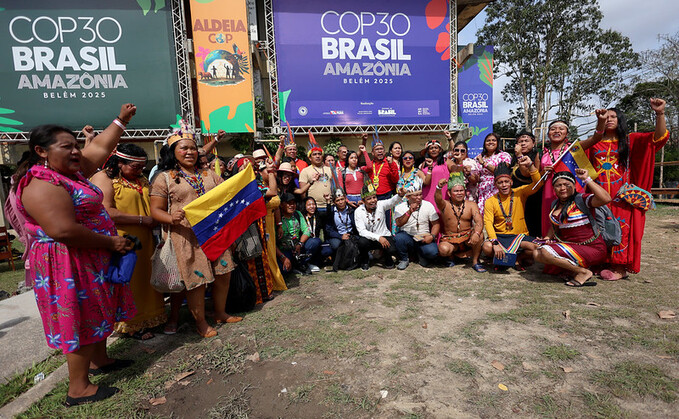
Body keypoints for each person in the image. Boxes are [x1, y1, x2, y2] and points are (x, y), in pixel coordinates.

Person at [17, 104, 137, 406]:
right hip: (67, 262)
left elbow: (98, 149)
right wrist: (110, 244)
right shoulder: (42, 183)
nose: (75, 152)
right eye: (66, 146)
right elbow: (63, 230)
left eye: (75, 146)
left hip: (88, 257)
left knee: (97, 310)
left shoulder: (70, 172)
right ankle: (78, 389)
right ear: (42, 151)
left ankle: (100, 361)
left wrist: (120, 121)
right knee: (80, 317)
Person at [150, 124, 241, 339]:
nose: (189, 152)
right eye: (183, 148)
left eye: (192, 148)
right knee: (196, 281)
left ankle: (220, 312)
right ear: (173, 152)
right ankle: (200, 322)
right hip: (186, 236)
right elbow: (155, 210)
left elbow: (226, 197)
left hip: (214, 233)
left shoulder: (209, 174)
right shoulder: (164, 178)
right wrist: (170, 218)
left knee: (224, 273)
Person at [585, 99, 669, 280]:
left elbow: (658, 138)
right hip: (598, 193)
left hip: (621, 195)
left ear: (620, 120)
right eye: (606, 116)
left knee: (621, 227)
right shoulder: (594, 142)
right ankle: (600, 262)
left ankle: (619, 267)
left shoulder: (631, 140)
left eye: (613, 116)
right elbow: (577, 156)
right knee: (598, 226)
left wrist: (660, 113)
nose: (609, 119)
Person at [90, 144, 166, 341]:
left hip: (146, 237)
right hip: (122, 239)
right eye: (135, 167)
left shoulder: (140, 179)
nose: (140, 171)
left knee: (145, 277)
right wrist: (142, 220)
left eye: (142, 167)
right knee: (128, 280)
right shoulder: (105, 178)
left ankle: (150, 318)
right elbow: (106, 210)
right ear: (119, 163)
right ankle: (129, 324)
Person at [533, 169, 612, 286]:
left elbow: (606, 199)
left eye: (567, 185)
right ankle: (575, 270)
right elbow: (554, 226)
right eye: (558, 185)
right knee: (536, 253)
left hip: (593, 248)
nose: (563, 188)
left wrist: (587, 179)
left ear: (574, 186)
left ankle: (583, 272)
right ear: (554, 189)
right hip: (571, 246)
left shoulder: (582, 200)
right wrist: (546, 239)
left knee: (545, 252)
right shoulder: (555, 204)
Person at [539, 121, 599, 235]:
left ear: (567, 133)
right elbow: (537, 178)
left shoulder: (574, 148)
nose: (557, 131)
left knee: (572, 223)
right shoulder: (542, 153)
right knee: (550, 224)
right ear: (548, 133)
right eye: (553, 129)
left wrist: (601, 121)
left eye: (561, 129)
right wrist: (543, 172)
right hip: (549, 195)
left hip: (572, 193)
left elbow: (596, 138)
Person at [482, 159, 541, 270]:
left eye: (506, 181)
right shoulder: (490, 201)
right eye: (500, 182)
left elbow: (538, 184)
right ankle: (501, 258)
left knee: (537, 248)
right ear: (495, 185)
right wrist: (495, 242)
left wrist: (530, 165)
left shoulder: (520, 192)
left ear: (511, 182)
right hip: (501, 236)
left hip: (519, 236)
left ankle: (517, 258)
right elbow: (488, 222)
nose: (504, 185)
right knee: (487, 247)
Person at [435, 172, 485, 271]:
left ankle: (475, 261)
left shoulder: (471, 205)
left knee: (480, 235)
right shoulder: (445, 205)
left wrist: (477, 233)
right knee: (443, 249)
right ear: (449, 193)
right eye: (456, 191)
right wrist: (438, 187)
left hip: (467, 238)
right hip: (450, 238)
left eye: (461, 190)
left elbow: (479, 221)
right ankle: (452, 256)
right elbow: (438, 199)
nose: (459, 193)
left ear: (465, 192)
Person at [354, 184, 406, 270]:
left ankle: (387, 259)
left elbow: (392, 201)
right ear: (363, 201)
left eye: (374, 197)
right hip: (369, 239)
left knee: (392, 249)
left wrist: (400, 195)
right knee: (362, 242)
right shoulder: (358, 211)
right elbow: (362, 231)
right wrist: (378, 238)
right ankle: (365, 261)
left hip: (384, 236)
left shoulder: (381, 205)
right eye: (369, 199)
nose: (373, 201)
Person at [393, 179, 440, 269]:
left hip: (423, 237)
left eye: (420, 194)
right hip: (408, 236)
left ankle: (420, 255)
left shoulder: (428, 205)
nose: (419, 197)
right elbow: (399, 223)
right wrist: (409, 212)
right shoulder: (400, 207)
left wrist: (432, 236)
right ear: (408, 197)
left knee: (433, 252)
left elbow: (436, 224)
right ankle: (404, 259)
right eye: (416, 195)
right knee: (399, 238)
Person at [276, 193, 319, 275]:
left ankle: (301, 263)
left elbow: (307, 231)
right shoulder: (277, 218)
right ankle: (292, 264)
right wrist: (283, 258)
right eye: (289, 203)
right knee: (283, 271)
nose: (292, 206)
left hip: (297, 247)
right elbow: (272, 243)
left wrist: (300, 243)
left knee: (315, 242)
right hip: (284, 250)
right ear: (281, 205)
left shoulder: (297, 214)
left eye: (294, 203)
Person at [511, 130, 542, 237]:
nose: (523, 143)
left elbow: (526, 174)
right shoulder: (513, 158)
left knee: (531, 221)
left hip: (532, 196)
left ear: (533, 143)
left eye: (526, 141)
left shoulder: (536, 155)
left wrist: (519, 154)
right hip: (517, 195)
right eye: (520, 141)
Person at [475, 133, 513, 214]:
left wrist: (484, 163)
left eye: (493, 140)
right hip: (482, 190)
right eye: (488, 140)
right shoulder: (479, 156)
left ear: (497, 143)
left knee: (498, 213)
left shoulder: (503, 155)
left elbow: (501, 171)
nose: (490, 142)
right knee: (484, 215)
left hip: (497, 188)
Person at [299, 146, 334, 216]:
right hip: (314, 207)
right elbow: (303, 192)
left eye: (319, 154)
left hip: (329, 205)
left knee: (329, 226)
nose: (317, 156)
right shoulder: (305, 171)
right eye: (314, 154)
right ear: (310, 158)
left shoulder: (329, 169)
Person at [363, 133, 399, 201]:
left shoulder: (391, 163)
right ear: (372, 153)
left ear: (384, 152)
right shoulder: (370, 165)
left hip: (387, 195)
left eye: (381, 149)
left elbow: (395, 180)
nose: (380, 151)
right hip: (373, 196)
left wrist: (391, 164)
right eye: (377, 149)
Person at [324, 188, 357, 255]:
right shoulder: (332, 212)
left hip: (351, 235)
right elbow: (328, 229)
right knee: (336, 245)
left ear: (345, 199)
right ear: (334, 202)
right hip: (338, 236)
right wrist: (340, 236)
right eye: (338, 200)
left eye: (342, 199)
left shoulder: (351, 210)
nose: (341, 202)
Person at [421, 138, 450, 213]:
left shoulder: (446, 161)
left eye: (436, 148)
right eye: (431, 148)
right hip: (427, 195)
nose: (433, 150)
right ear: (427, 151)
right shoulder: (424, 164)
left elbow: (457, 169)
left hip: (443, 195)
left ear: (440, 150)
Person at [301, 197, 325, 272]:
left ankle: (311, 262)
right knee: (315, 241)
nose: (311, 206)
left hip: (315, 243)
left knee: (327, 250)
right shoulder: (302, 217)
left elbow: (328, 214)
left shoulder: (318, 216)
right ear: (305, 206)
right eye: (309, 205)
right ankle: (302, 263)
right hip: (305, 243)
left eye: (313, 204)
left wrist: (327, 202)